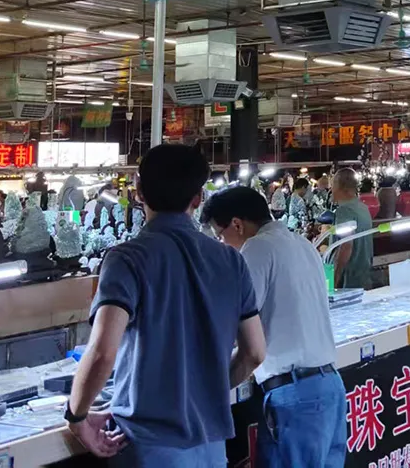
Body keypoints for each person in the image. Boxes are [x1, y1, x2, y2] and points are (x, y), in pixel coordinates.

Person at [66, 144, 266, 466]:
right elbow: (254, 352)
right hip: (211, 448)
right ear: (198, 199)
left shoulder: (127, 259)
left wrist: (77, 415)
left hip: (149, 445)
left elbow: (103, 352)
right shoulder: (230, 260)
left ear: (139, 192)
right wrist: (205, 391)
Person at [200, 188, 345, 467]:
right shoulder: (302, 243)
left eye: (220, 236)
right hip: (329, 388)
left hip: (295, 395)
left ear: (237, 225)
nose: (223, 244)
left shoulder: (256, 247)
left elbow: (234, 321)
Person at [331, 168, 373, 289]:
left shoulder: (344, 211)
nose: (332, 190)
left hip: (349, 280)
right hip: (365, 275)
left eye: (333, 185)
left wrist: (335, 277)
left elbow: (346, 246)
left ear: (341, 186)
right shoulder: (363, 208)